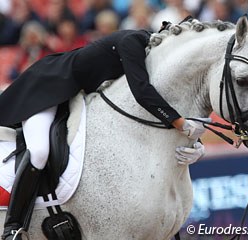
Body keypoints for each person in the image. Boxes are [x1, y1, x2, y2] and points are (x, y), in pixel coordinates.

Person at [0, 18, 207, 240]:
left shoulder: (149, 59)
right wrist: (182, 125)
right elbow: (142, 91)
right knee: (39, 151)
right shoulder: (133, 41)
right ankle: (13, 225)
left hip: (74, 96)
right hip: (46, 88)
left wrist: (195, 144)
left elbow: (154, 106)